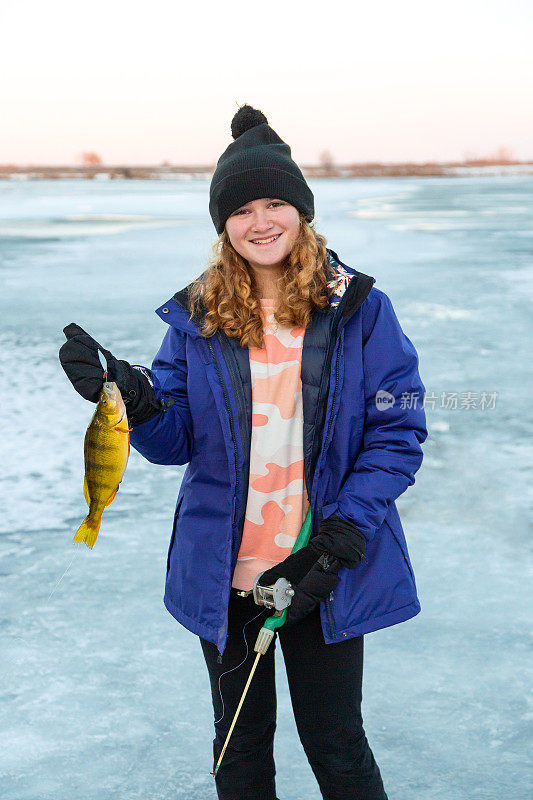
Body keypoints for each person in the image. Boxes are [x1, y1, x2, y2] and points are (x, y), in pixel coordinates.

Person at [59, 104, 427, 800]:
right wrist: (133, 396)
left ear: (302, 212)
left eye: (275, 203)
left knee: (337, 745)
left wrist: (342, 535)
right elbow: (172, 440)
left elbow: (397, 429)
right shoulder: (197, 316)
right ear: (222, 225)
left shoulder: (359, 309)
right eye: (241, 209)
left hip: (321, 569)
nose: (260, 221)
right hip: (224, 577)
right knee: (239, 749)